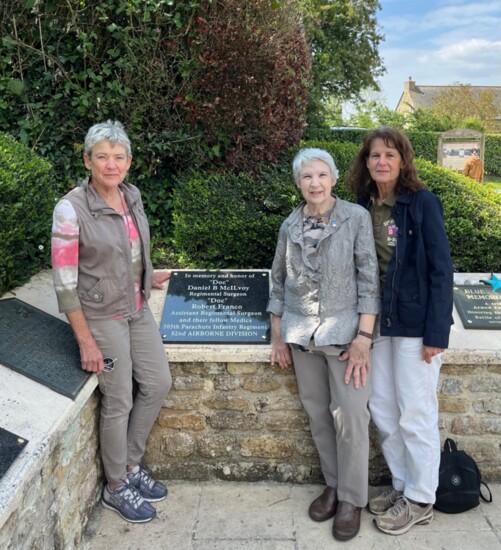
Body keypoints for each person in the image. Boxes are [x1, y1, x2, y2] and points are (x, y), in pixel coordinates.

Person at [51, 120, 172, 523]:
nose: (111, 164)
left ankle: (131, 464)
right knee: (118, 398)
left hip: (136, 308)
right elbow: (66, 284)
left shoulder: (131, 195)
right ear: (87, 160)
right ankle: (115, 485)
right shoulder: (70, 209)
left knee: (158, 383)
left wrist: (145, 276)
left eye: (118, 157)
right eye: (101, 156)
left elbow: (129, 249)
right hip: (101, 317)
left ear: (129, 162)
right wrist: (85, 340)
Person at [267, 148, 380, 541]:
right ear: (298, 183)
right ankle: (333, 486)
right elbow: (277, 281)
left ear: (332, 178)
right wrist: (277, 336)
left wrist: (365, 338)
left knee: (350, 417)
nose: (314, 183)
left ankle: (352, 500)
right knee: (318, 415)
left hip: (347, 337)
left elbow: (369, 280)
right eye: (306, 177)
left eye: (321, 175)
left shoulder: (356, 218)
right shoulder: (289, 226)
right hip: (302, 336)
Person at [347, 127, 454, 536]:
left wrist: (436, 333)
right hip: (377, 324)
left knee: (416, 412)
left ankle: (423, 497)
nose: (382, 162)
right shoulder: (361, 205)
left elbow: (441, 270)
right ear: (366, 162)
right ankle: (401, 485)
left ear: (403, 160)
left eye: (390, 155)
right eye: (375, 155)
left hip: (415, 325)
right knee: (384, 411)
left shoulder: (422, 203)